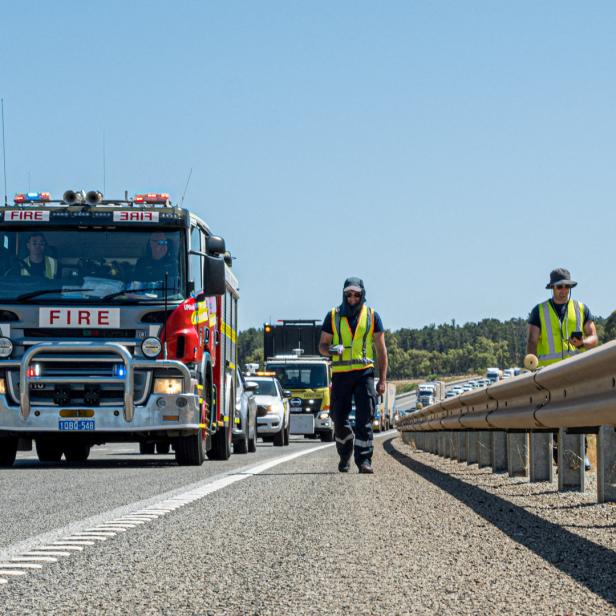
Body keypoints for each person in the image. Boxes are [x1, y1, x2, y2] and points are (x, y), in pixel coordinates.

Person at [527, 267, 598, 469]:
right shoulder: (539, 311)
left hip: (575, 372)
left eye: (567, 286)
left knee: (578, 413)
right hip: (549, 373)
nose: (563, 290)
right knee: (555, 415)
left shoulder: (581, 308)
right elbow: (532, 340)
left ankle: (581, 455)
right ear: (552, 288)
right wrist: (532, 364)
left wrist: (582, 342)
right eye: (559, 286)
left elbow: (594, 337)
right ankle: (560, 458)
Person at [319, 277, 388, 474]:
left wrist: (382, 380)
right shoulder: (332, 316)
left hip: (364, 372)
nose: (352, 298)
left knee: (365, 416)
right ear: (343, 294)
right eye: (349, 294)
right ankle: (344, 452)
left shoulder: (373, 316)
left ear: (362, 294)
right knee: (338, 418)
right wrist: (332, 349)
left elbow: (381, 350)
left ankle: (364, 459)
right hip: (340, 374)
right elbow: (322, 346)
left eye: (356, 294)